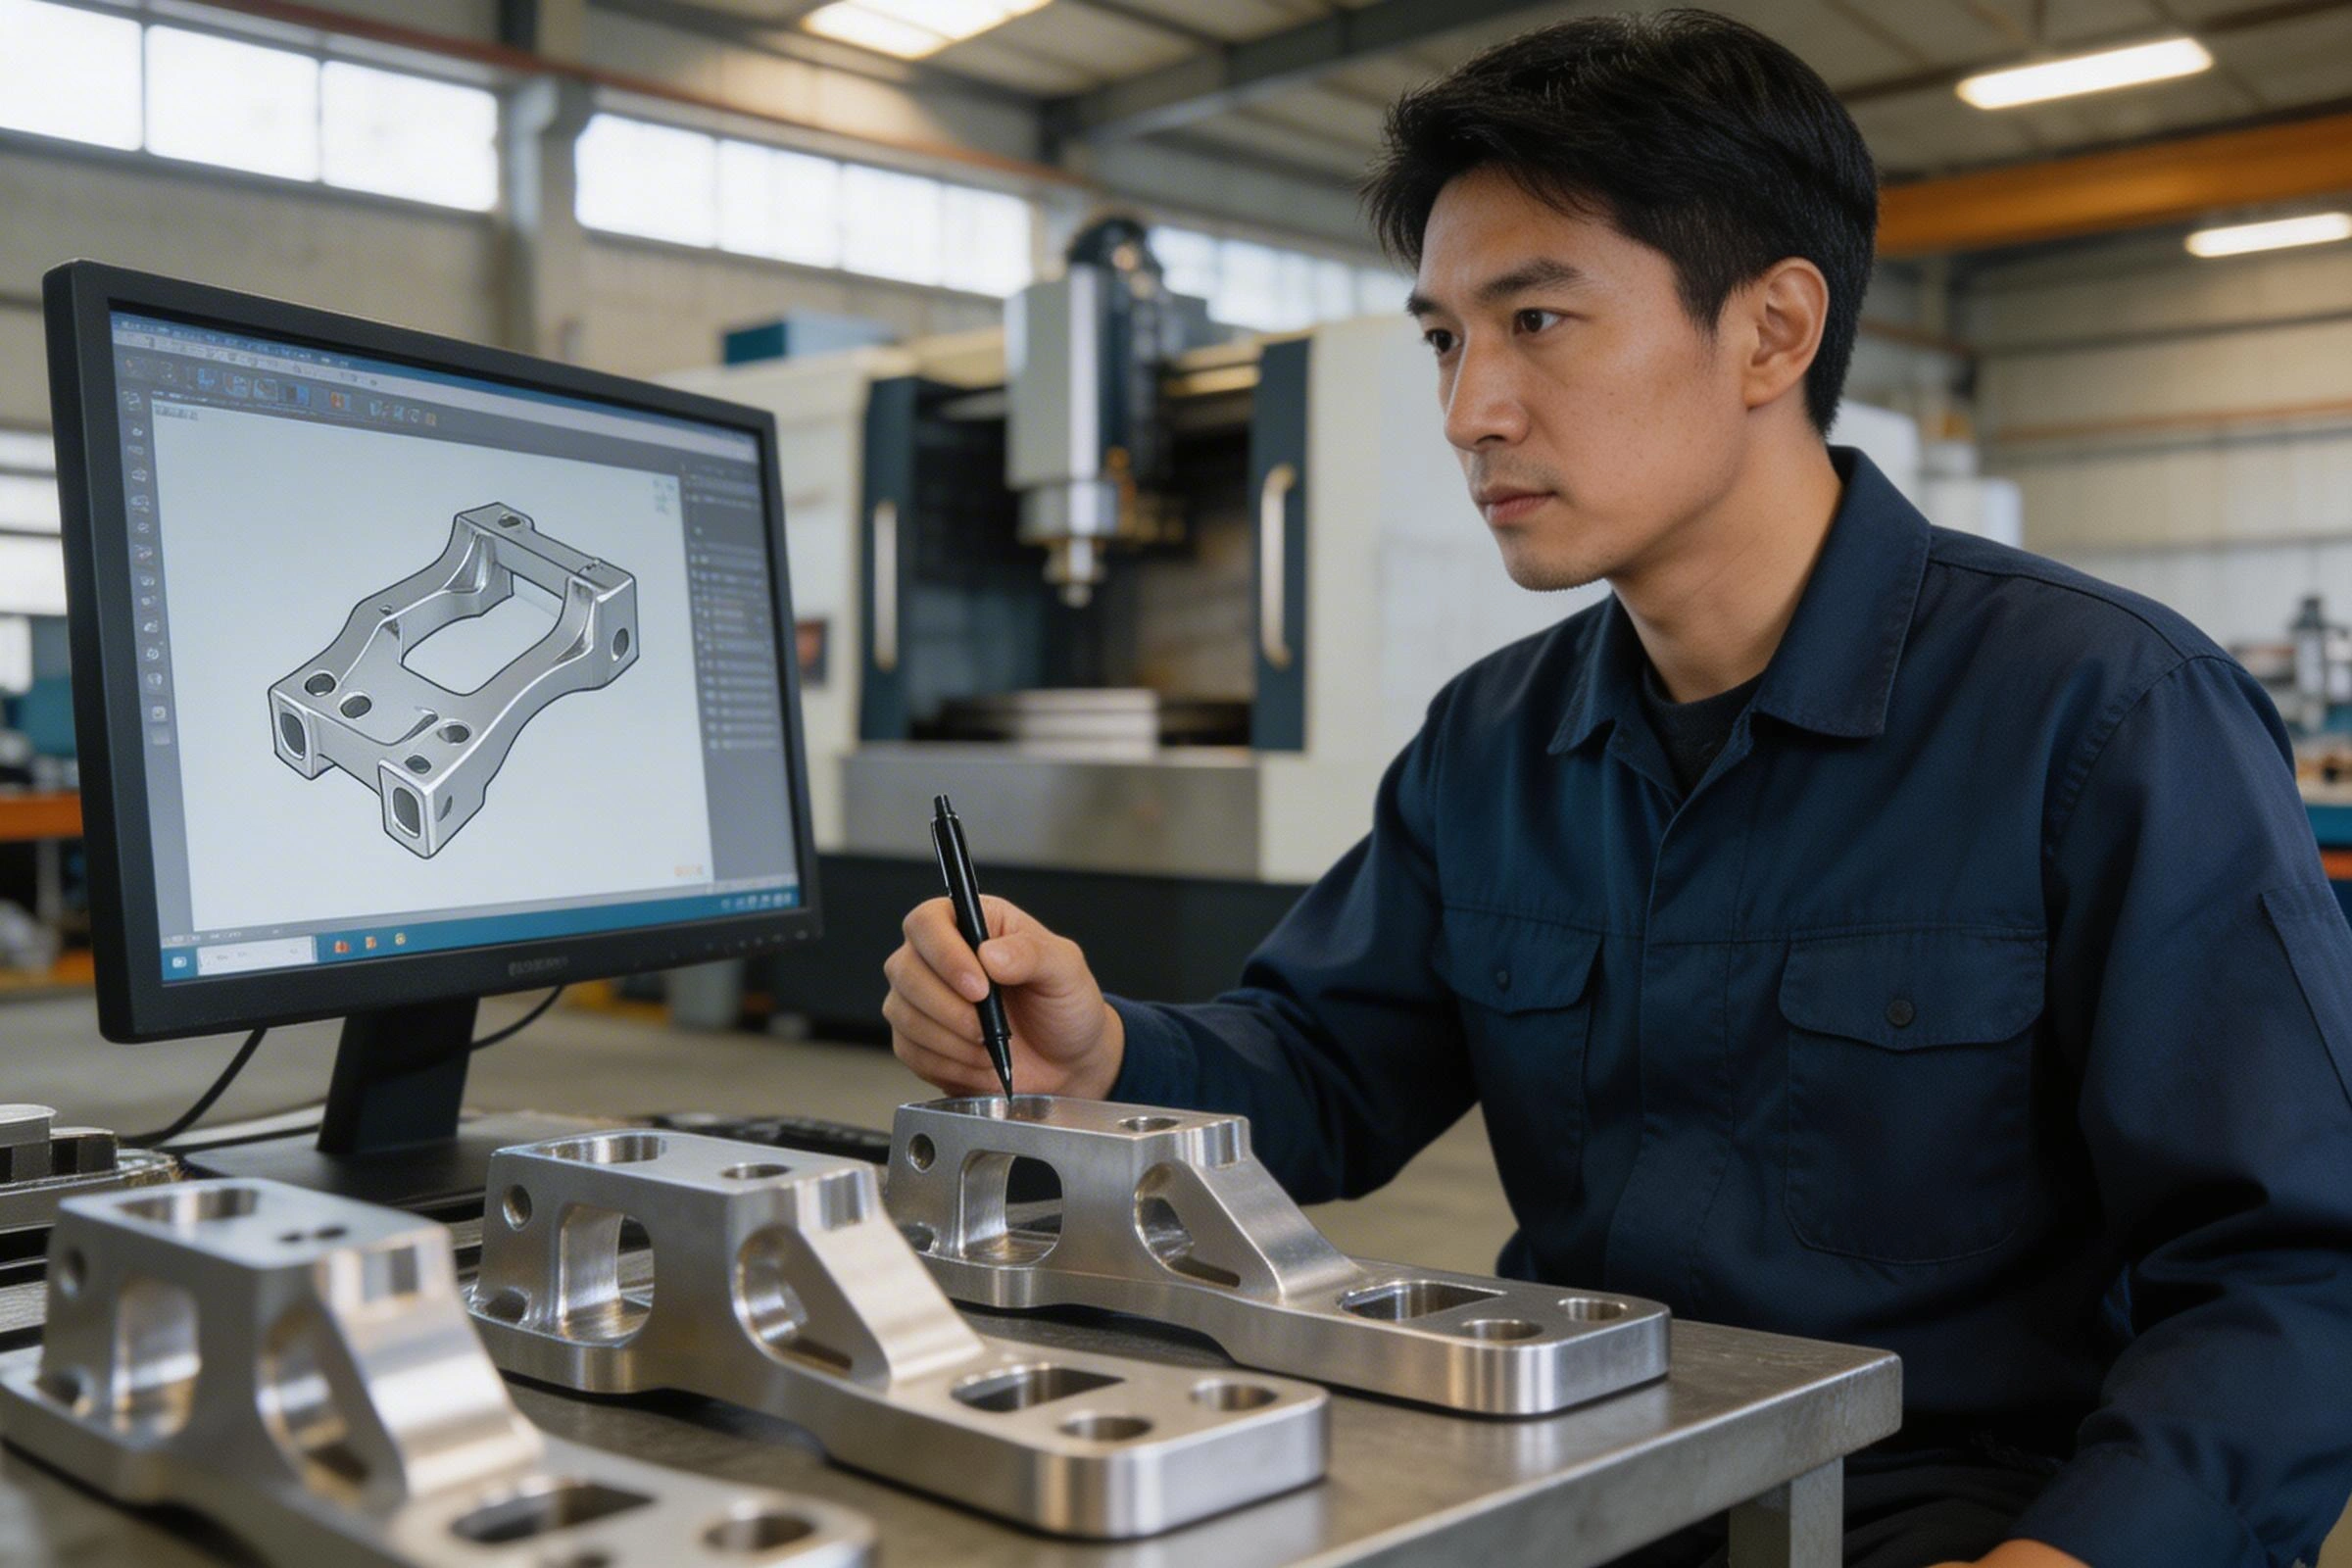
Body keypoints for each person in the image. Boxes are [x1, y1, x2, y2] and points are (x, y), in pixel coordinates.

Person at [881, 12, 2352, 1566]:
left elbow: (2296, 1267)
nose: (1470, 413)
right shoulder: (1494, 744)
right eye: (1448, 338)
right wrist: (1098, 1052)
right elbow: (1322, 1063)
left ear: (1773, 332)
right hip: (1577, 1475)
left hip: (1947, 1505)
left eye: (1537, 322)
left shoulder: (2106, 718)